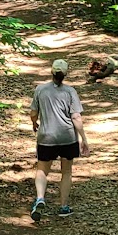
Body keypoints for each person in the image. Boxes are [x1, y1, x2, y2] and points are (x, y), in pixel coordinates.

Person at [30, 55, 87, 220]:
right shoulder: (70, 91)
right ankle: (63, 207)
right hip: (67, 137)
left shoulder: (40, 90)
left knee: (42, 170)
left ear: (51, 72)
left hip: (46, 136)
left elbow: (33, 112)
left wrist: (34, 122)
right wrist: (84, 138)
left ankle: (40, 198)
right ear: (66, 74)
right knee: (67, 172)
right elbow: (76, 117)